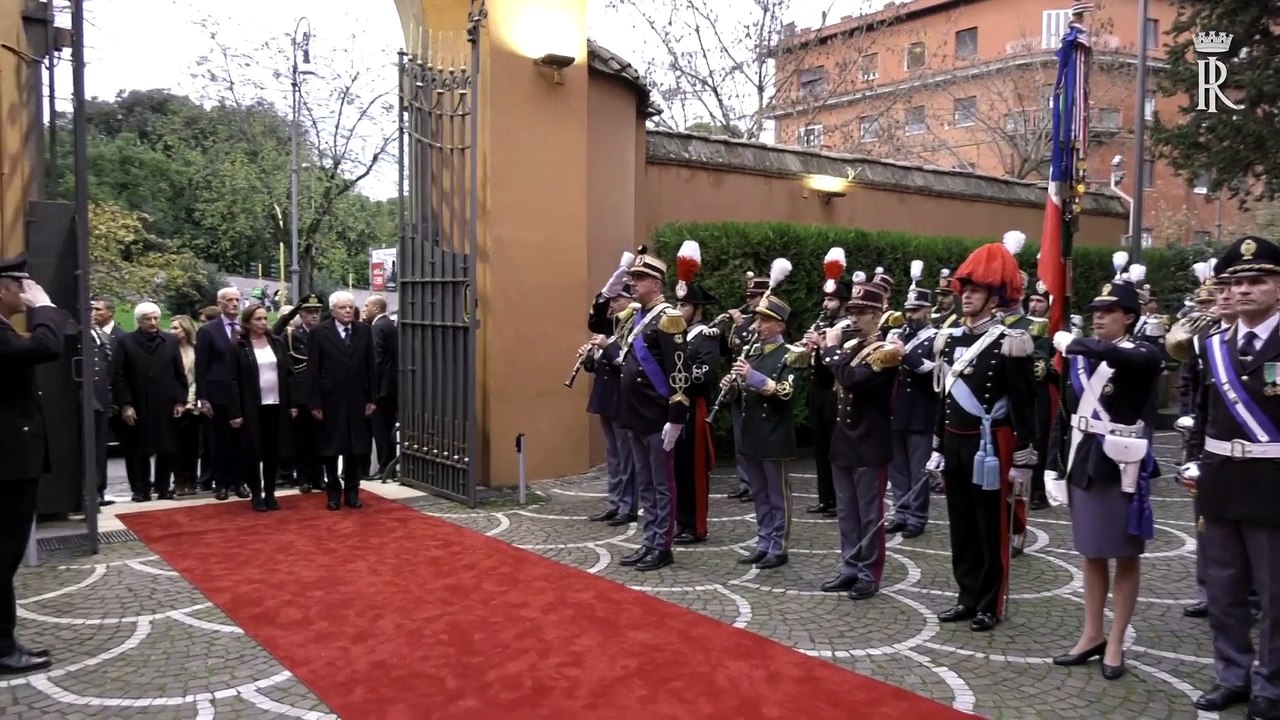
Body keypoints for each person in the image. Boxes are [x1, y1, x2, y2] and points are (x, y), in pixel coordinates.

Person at [1047, 274, 1162, 681]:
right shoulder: (1082, 358)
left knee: (1124, 553)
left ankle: (1116, 639)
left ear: (1129, 318)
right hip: (1083, 457)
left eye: (1109, 311)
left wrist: (1076, 343)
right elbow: (1064, 414)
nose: (1099, 318)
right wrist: (1051, 463)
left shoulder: (1144, 351)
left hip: (1122, 464)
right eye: (1096, 311)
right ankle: (1091, 633)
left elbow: (1137, 362)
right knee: (1091, 551)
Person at [1183, 235, 1280, 718]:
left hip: (1273, 485)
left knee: (1275, 595)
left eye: (1257, 280)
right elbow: (1202, 413)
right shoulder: (1213, 345)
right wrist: (1194, 459)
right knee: (1223, 590)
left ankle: (1271, 686)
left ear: (1278, 287)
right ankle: (1232, 676)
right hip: (1220, 480)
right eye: (1237, 282)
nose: (1243, 290)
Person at [927, 241, 1038, 632]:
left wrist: (1024, 457)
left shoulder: (1011, 343)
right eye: (965, 289)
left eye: (976, 290)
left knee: (990, 526)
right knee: (960, 524)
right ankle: (966, 595)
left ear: (994, 298)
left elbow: (1027, 406)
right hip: (957, 442)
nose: (967, 295)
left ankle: (990, 602)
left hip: (989, 446)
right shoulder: (950, 339)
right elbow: (944, 397)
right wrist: (938, 447)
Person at [818, 278, 899, 599]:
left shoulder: (886, 353)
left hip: (869, 444)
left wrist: (832, 350)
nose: (854, 318)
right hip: (844, 442)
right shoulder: (850, 348)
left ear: (878, 315)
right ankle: (850, 567)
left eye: (863, 312)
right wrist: (820, 350)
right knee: (847, 513)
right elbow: (826, 380)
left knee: (869, 515)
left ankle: (869, 573)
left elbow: (853, 380)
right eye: (851, 311)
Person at [0, 255, 62, 674]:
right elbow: (45, 347)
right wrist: (45, 307)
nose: (26, 292)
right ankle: (3, 649)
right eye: (21, 285)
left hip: (11, 459)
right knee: (3, 555)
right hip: (6, 463)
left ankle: (5, 641)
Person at [614, 246, 690, 572]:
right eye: (633, 277)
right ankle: (648, 541)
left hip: (658, 416)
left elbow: (679, 373)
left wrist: (675, 419)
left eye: (640, 278)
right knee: (645, 483)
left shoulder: (669, 318)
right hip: (635, 414)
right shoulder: (637, 316)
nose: (633, 283)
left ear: (657, 284)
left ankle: (662, 545)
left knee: (662, 485)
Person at [727, 290, 806, 570]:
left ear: (780, 325)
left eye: (764, 321)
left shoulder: (792, 355)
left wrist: (752, 376)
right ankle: (763, 541)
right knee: (759, 492)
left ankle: (779, 546)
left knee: (777, 494)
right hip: (753, 432)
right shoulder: (754, 352)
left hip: (775, 433)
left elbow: (786, 392)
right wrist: (733, 386)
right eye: (757, 320)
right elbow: (745, 394)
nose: (757, 326)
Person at [306, 291, 378, 511]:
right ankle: (333, 493)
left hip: (358, 398)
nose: (347, 311)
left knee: (355, 447)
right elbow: (313, 369)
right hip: (330, 399)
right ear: (333, 310)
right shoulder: (319, 332)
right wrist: (314, 402)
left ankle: (353, 491)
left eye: (350, 307)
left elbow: (371, 366)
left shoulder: (364, 331)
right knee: (331, 447)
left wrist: (372, 398)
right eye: (342, 308)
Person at [581, 259, 638, 527]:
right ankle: (614, 503)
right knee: (613, 456)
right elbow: (598, 366)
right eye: (612, 299)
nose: (613, 304)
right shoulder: (612, 328)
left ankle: (629, 505)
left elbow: (628, 364)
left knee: (626, 457)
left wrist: (608, 348)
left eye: (618, 299)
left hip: (623, 401)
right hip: (606, 398)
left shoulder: (633, 328)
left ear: (629, 301)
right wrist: (589, 358)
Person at [112, 302, 188, 502]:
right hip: (138, 403)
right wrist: (126, 404)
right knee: (139, 450)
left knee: (168, 448)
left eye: (155, 318)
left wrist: (180, 401)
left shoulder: (170, 341)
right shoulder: (126, 341)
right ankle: (141, 489)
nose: (153, 323)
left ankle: (163, 487)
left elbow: (179, 374)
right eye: (148, 319)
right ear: (139, 321)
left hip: (165, 403)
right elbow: (119, 375)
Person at [671, 240, 720, 545]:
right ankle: (681, 520)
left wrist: (680, 374)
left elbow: (704, 373)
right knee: (677, 468)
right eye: (677, 304)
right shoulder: (674, 334)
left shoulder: (707, 336)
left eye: (684, 305)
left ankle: (696, 525)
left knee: (694, 470)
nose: (679, 310)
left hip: (695, 407)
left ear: (697, 309)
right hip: (675, 406)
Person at [886, 269, 938, 538]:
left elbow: (936, 372)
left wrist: (905, 355)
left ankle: (917, 517)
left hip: (921, 413)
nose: (910, 315)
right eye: (908, 310)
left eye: (916, 310)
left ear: (928, 311)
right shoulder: (899, 334)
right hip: (897, 412)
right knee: (898, 469)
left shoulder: (937, 338)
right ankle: (901, 512)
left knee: (919, 471)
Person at [229, 304, 294, 512]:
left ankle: (271, 493)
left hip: (275, 404)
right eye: (258, 319)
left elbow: (288, 374)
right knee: (253, 451)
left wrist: (292, 403)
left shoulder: (276, 341)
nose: (263, 323)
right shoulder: (239, 346)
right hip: (251, 406)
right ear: (247, 322)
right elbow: (232, 381)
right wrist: (236, 411)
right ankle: (256, 493)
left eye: (265, 318)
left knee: (272, 451)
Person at [800, 247, 851, 517]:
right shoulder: (823, 325)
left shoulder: (847, 328)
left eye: (831, 301)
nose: (825, 304)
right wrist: (807, 348)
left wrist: (820, 347)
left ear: (842, 302)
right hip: (817, 390)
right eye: (825, 299)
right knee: (819, 445)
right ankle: (824, 497)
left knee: (834, 446)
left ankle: (838, 498)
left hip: (835, 392)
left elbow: (838, 362)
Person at [196, 288, 250, 501]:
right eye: (229, 300)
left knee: (242, 440)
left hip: (243, 392)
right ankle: (222, 483)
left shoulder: (245, 329)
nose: (234, 303)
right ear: (219, 304)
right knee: (219, 441)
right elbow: (201, 365)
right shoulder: (209, 331)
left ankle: (241, 481)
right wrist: (203, 397)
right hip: (217, 392)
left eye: (237, 300)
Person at [721, 272, 769, 503]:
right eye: (748, 296)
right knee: (739, 436)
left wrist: (740, 323)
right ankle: (745, 480)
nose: (749, 300)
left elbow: (757, 344)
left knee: (752, 436)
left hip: (755, 382)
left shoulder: (766, 321)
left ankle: (756, 482)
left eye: (754, 296)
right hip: (738, 384)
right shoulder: (745, 321)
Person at [275, 294, 325, 493]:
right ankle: (303, 477)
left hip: (321, 394)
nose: (314, 316)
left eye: (317, 312)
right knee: (301, 439)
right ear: (301, 314)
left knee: (320, 440)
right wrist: (291, 312)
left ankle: (318, 477)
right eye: (309, 312)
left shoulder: (324, 333)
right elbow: (273, 333)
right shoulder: (291, 335)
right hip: (300, 394)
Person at [158, 315, 200, 496]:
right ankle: (178, 481)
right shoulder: (166, 349)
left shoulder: (196, 349)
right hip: (175, 402)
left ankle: (191, 479)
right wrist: (181, 401)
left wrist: (192, 400)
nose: (172, 331)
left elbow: (197, 378)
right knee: (175, 446)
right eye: (171, 327)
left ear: (186, 330)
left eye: (177, 328)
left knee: (193, 445)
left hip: (195, 402)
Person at [364, 295, 399, 480]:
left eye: (367, 306)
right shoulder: (390, 325)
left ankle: (385, 465)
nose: (364, 309)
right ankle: (390, 465)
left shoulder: (377, 327)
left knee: (380, 429)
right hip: (392, 386)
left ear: (376, 308)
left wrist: (370, 386)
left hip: (381, 388)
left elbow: (376, 359)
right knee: (388, 426)